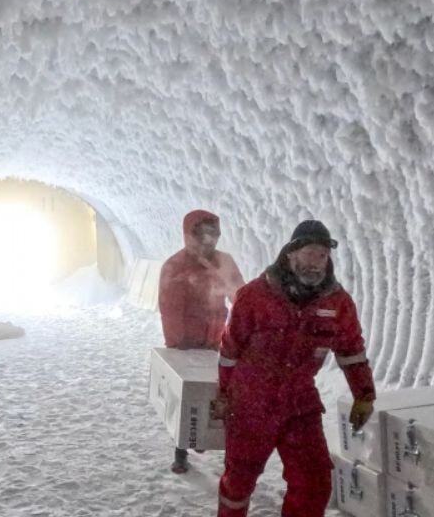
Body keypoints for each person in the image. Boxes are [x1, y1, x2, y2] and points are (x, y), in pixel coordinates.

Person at [214, 219, 376, 517]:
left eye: (323, 256)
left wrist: (364, 394)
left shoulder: (337, 303)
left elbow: (351, 351)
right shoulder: (255, 296)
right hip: (251, 403)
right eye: (309, 254)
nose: (316, 263)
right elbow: (229, 351)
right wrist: (223, 394)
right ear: (290, 254)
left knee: (314, 482)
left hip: (299, 404)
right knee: (239, 481)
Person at [158, 209, 246, 474]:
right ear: (190, 235)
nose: (210, 241)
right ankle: (181, 450)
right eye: (203, 234)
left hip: (217, 341)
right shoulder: (175, 266)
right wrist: (178, 345)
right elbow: (171, 309)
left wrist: (244, 331)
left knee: (220, 394)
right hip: (186, 344)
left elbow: (240, 297)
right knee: (187, 396)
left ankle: (214, 443)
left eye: (213, 234)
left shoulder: (224, 263)